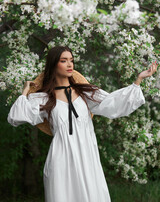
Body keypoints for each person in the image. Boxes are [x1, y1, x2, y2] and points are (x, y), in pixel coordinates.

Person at [7, 45, 158, 202]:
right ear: (53, 64)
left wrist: (138, 80)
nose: (70, 64)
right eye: (63, 61)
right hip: (61, 160)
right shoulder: (43, 99)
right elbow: (16, 117)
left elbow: (114, 103)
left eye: (71, 60)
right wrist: (25, 92)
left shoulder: (86, 93)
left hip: (88, 157)